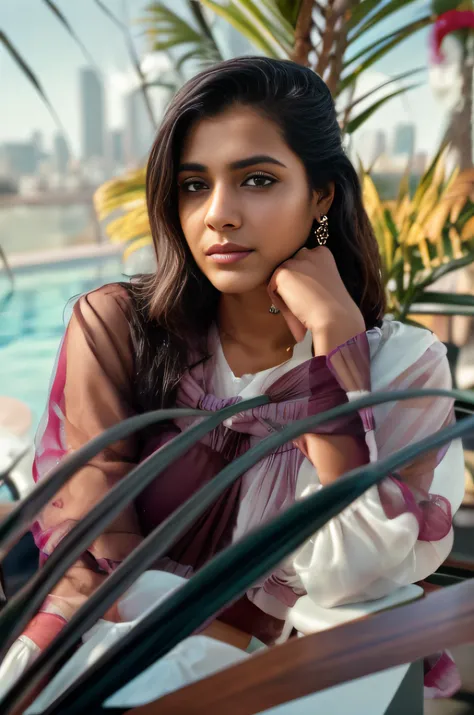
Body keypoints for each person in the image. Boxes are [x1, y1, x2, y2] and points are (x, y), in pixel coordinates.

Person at [0, 57, 465, 701]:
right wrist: (227, 640)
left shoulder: (401, 366)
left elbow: (355, 576)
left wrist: (334, 350)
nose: (218, 214)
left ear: (321, 195)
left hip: (276, 681)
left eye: (256, 179)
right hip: (107, 650)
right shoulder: (118, 328)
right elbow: (100, 546)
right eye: (195, 185)